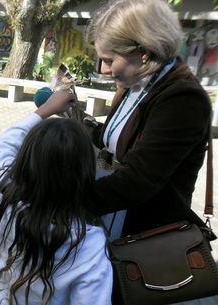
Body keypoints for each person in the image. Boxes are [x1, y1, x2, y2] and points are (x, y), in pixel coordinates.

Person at [54, 0, 213, 237]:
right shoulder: (137, 80)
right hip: (113, 220)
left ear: (144, 51)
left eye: (109, 60)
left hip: (145, 238)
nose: (104, 70)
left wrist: (56, 201)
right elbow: (114, 147)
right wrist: (79, 117)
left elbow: (138, 180)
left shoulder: (183, 99)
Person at [0, 90, 112, 305]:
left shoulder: (3, 199)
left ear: (24, 161)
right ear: (84, 174)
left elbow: (3, 146)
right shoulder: (88, 244)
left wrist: (45, 110)